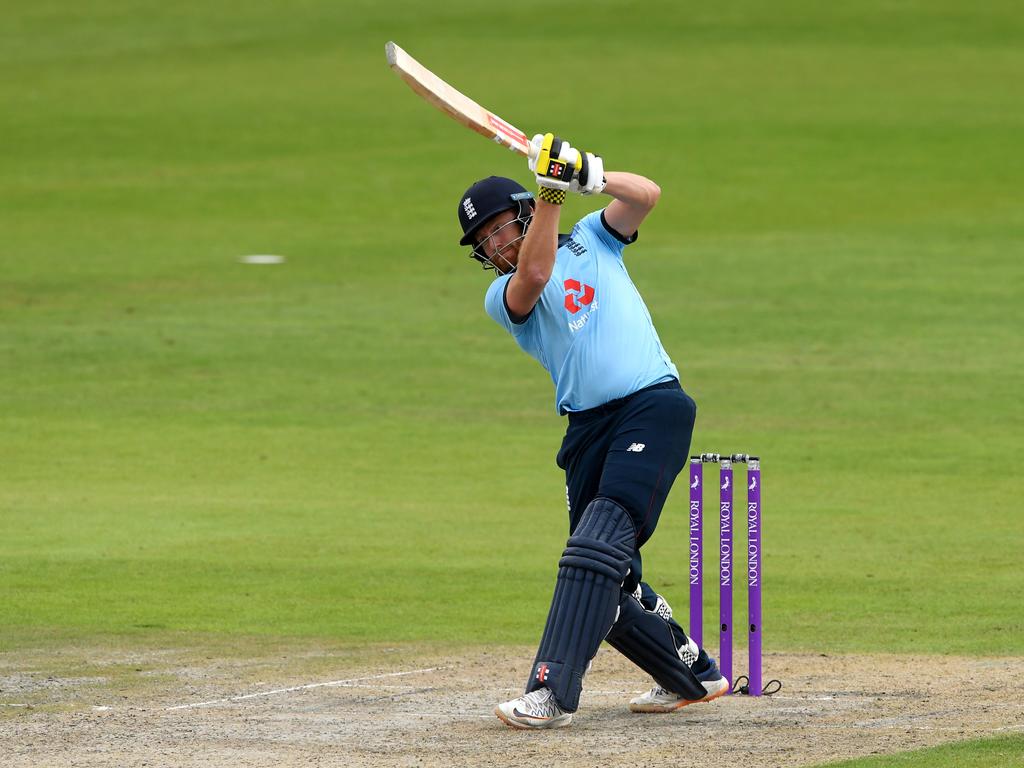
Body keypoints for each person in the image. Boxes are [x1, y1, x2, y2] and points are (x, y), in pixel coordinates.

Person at [456, 134, 728, 730]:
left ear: (526, 211)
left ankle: (550, 693)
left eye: (502, 228)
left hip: (652, 405)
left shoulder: (594, 236)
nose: (497, 245)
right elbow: (536, 269)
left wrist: (585, 174)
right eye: (485, 242)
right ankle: (693, 675)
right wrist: (554, 189)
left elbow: (646, 196)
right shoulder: (501, 295)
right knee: (609, 575)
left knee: (592, 551)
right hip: (586, 429)